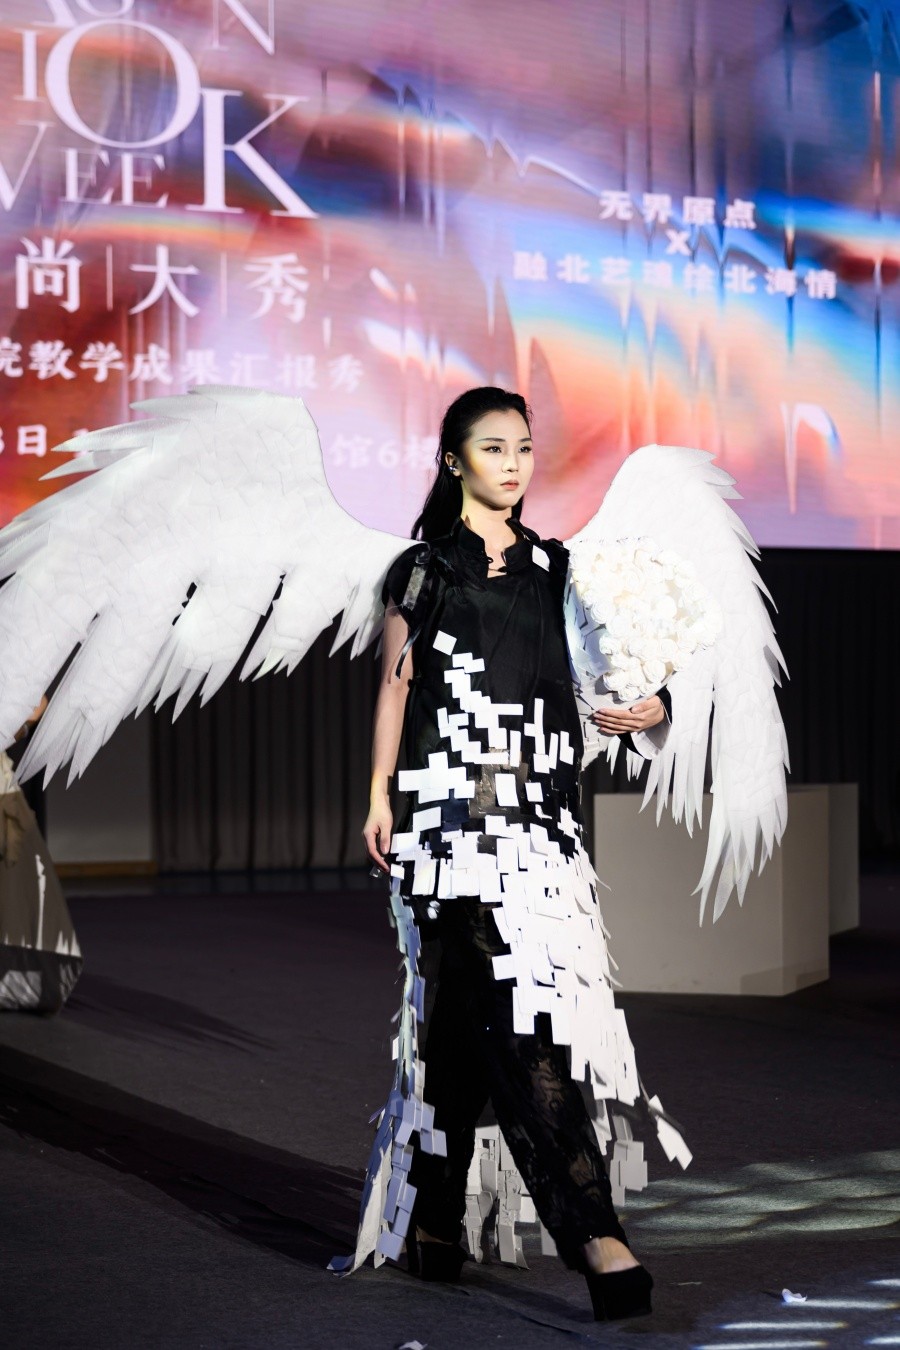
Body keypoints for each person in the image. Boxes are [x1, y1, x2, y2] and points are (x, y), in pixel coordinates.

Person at [355, 387, 672, 1321]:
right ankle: (596, 1237)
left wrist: (653, 705)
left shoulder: (556, 568)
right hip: (450, 827)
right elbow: (396, 686)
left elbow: (612, 668)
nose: (514, 464)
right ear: (454, 460)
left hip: (540, 829)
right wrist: (378, 793)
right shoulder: (424, 569)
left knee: (462, 1026)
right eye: (494, 447)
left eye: (525, 448)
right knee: (526, 1023)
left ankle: (433, 1222)